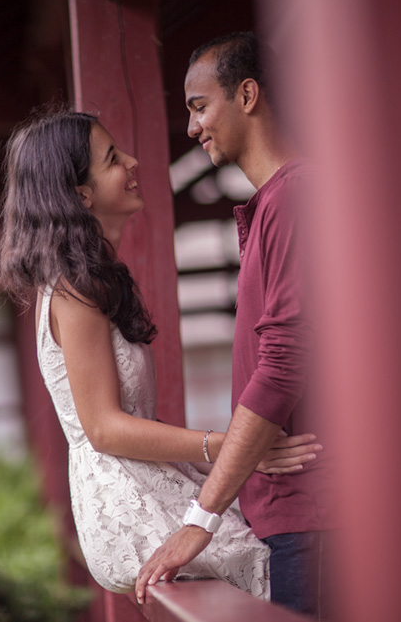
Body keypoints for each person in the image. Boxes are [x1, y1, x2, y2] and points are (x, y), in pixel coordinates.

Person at [0, 108, 321, 598]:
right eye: (111, 159)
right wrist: (233, 446)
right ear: (81, 195)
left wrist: (239, 451)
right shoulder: (70, 289)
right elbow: (103, 428)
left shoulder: (90, 279)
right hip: (128, 502)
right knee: (275, 563)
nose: (131, 162)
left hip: (147, 481)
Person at [135, 32, 331, 618]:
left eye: (199, 106)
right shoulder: (276, 200)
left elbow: (283, 363)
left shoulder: (296, 194)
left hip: (315, 512)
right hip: (290, 515)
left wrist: (201, 517)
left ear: (247, 95)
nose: (192, 128)